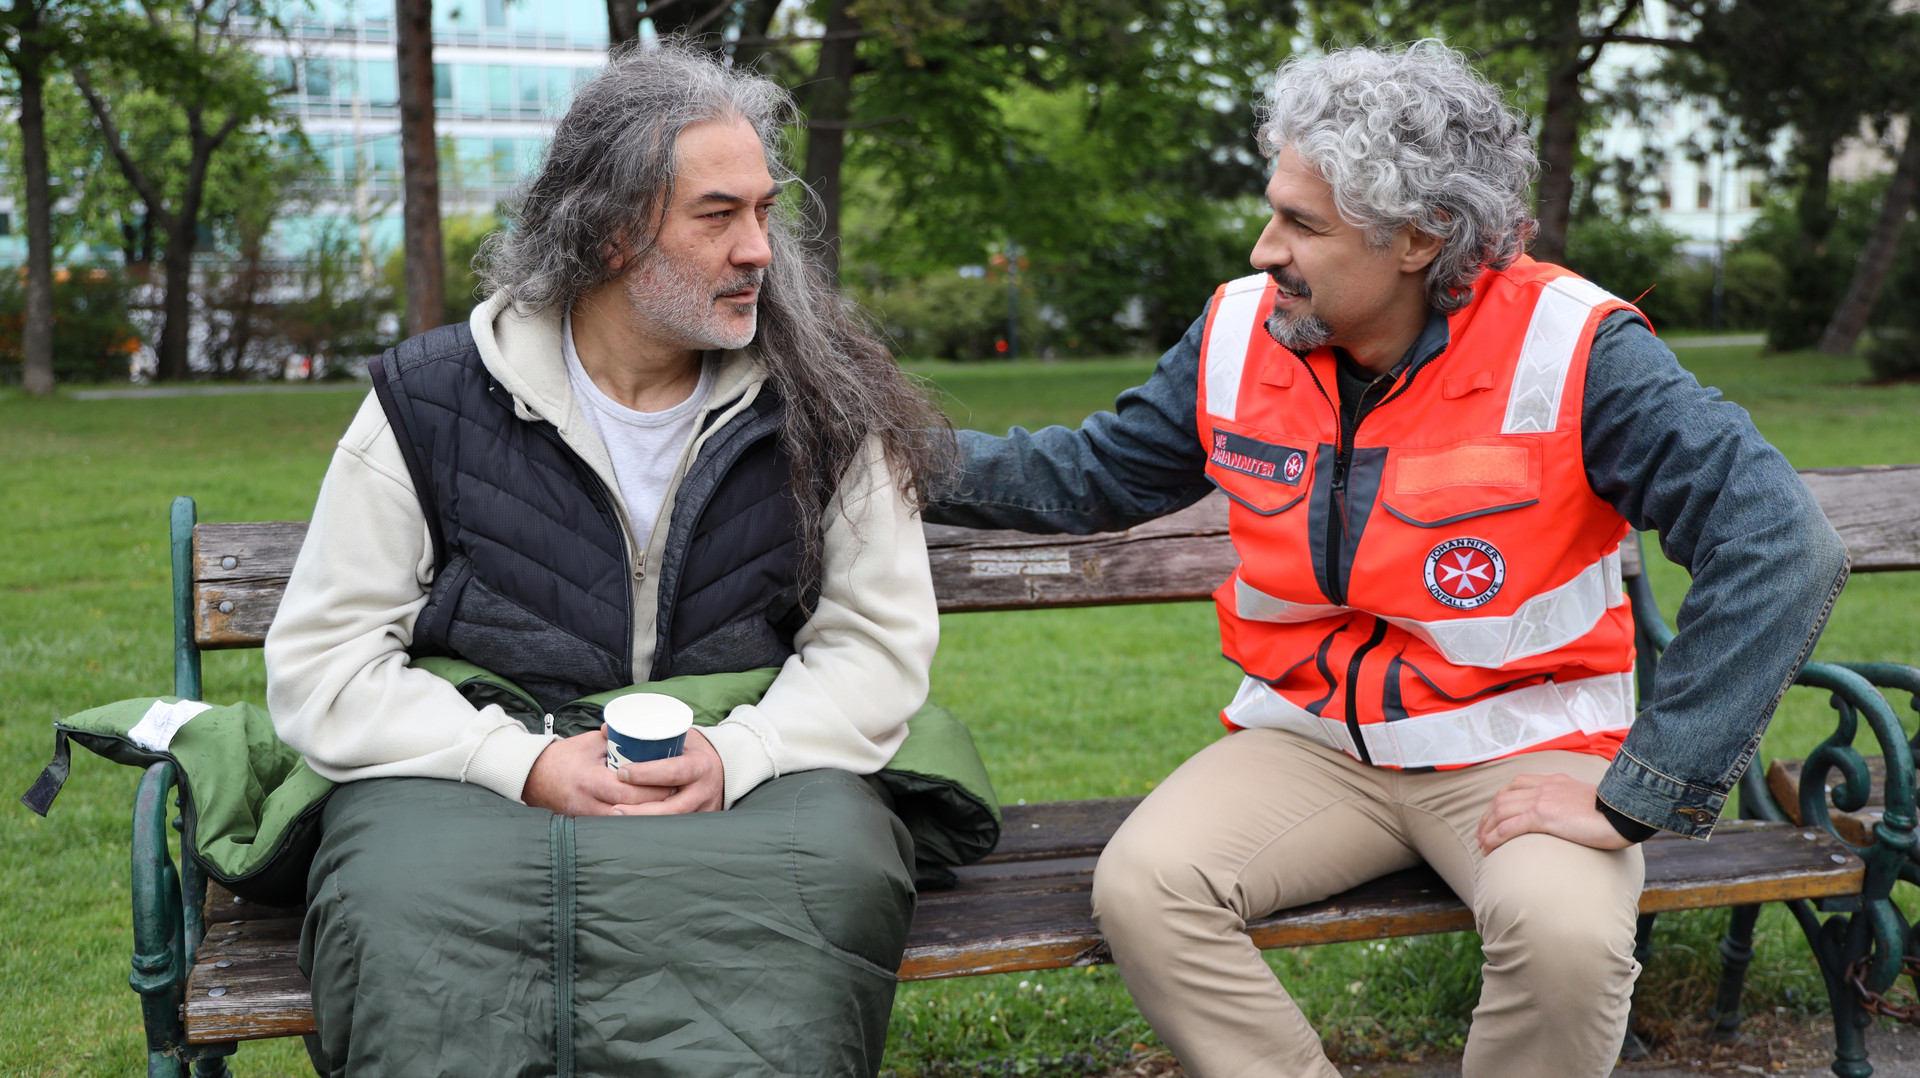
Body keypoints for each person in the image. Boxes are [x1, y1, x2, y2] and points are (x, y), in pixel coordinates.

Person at [924, 42, 1849, 1078]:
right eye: (1274, 209)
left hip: (1523, 741)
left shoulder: (1576, 348)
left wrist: (1643, 787)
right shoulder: (1240, 329)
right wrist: (874, 439)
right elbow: (1090, 474)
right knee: (1147, 887)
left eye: (1303, 225)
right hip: (1311, 742)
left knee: (1567, 941)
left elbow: (1779, 540)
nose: (1265, 248)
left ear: (1419, 237)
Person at [264, 42, 952, 1078]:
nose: (761, 248)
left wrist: (740, 755)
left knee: (835, 872)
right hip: (474, 777)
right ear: (615, 230)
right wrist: (522, 762)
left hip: (745, 774)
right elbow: (324, 663)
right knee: (400, 895)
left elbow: (876, 644)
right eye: (719, 216)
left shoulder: (827, 400)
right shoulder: (433, 399)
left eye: (765, 211)